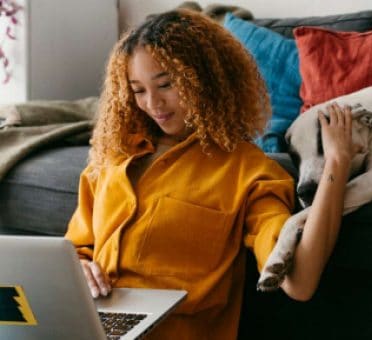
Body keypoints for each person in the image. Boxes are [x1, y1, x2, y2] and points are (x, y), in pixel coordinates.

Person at [65, 9, 356, 340]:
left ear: (203, 79)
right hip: (87, 326)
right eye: (138, 90)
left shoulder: (246, 169)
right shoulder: (112, 159)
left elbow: (299, 282)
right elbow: (74, 251)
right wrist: (79, 270)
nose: (153, 103)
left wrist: (336, 162)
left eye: (166, 84)